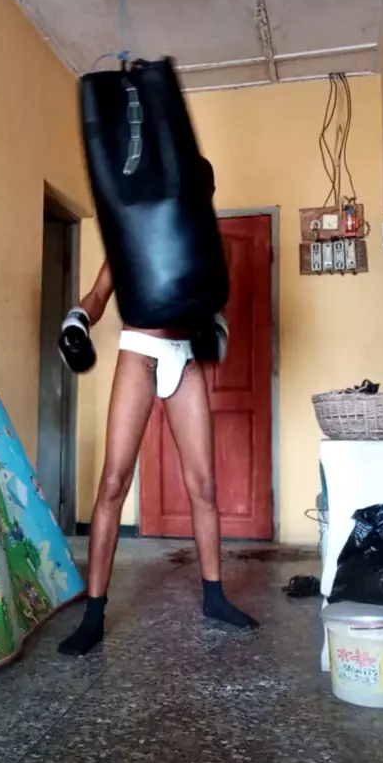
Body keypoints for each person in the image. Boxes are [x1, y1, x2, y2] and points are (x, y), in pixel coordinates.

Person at [57, 158, 259, 656]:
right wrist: (77, 320)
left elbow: (213, 312)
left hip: (184, 359)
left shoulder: (205, 248)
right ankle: (94, 614)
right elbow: (99, 294)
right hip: (140, 353)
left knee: (203, 485)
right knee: (113, 482)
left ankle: (215, 597)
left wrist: (216, 330)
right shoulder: (130, 233)